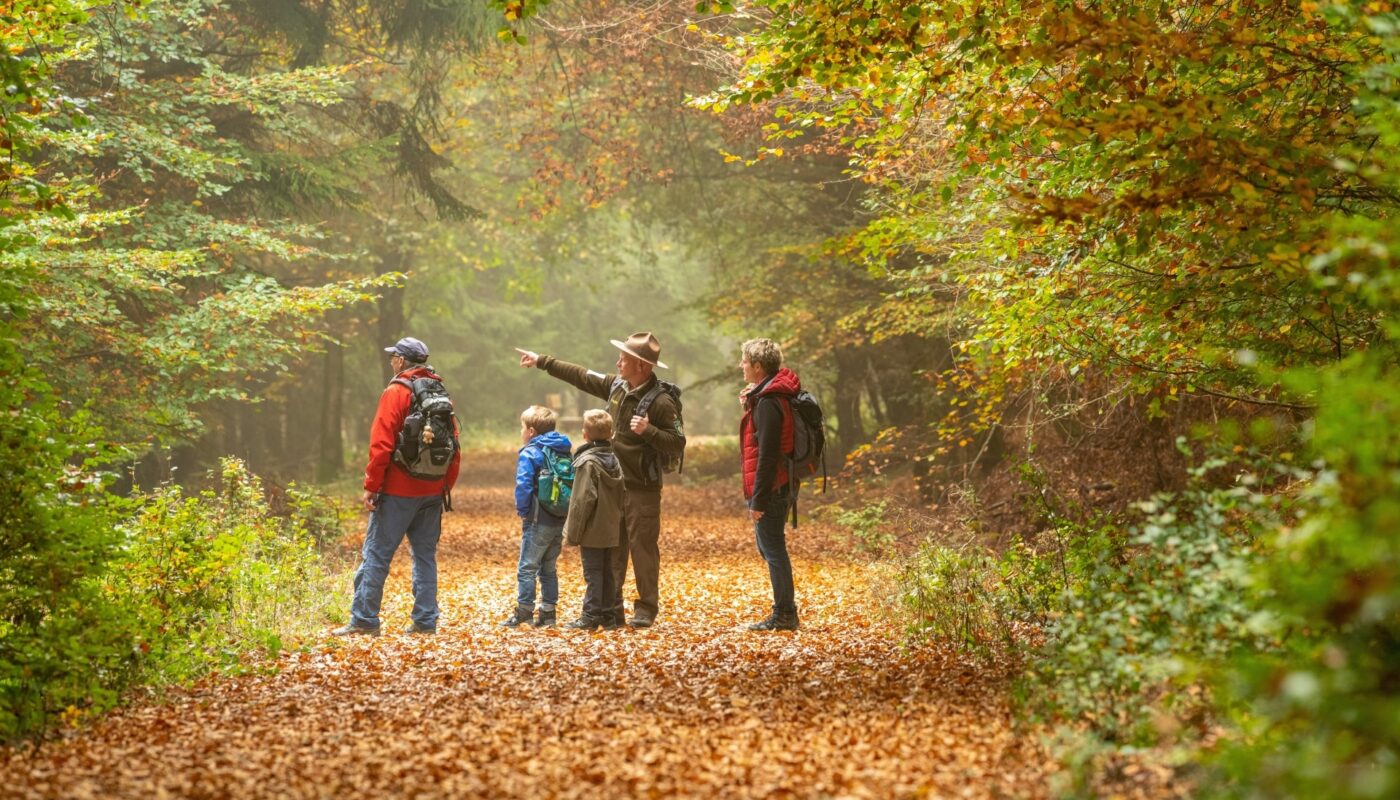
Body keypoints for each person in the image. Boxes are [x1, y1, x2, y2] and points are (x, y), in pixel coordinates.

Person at [515, 332, 685, 628]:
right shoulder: (617, 386)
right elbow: (581, 375)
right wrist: (543, 361)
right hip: (612, 486)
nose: (618, 362)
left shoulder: (662, 402)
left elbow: (678, 442)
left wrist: (649, 431)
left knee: (643, 548)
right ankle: (611, 608)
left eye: (624, 358)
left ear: (642, 366)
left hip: (642, 489)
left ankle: (645, 609)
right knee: (613, 548)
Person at [334, 337, 460, 636]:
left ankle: (364, 620)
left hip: (397, 489)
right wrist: (443, 485)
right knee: (425, 556)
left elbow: (381, 445)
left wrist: (372, 485)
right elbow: (455, 445)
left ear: (401, 361)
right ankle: (425, 620)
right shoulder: (440, 392)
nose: (391, 361)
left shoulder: (396, 391)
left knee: (377, 555)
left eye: (394, 357)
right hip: (431, 490)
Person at [738, 338, 801, 631]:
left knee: (773, 549)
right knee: (770, 548)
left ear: (758, 366)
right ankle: (784, 612)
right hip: (780, 484)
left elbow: (767, 456)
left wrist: (758, 501)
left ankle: (785, 614)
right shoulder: (770, 397)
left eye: (745, 362)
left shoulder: (769, 403)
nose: (742, 366)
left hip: (773, 488)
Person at [503, 405, 573, 628]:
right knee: (549, 568)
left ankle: (524, 611)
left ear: (531, 431)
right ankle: (548, 613)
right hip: (559, 517)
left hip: (537, 518)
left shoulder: (531, 452)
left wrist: (523, 511)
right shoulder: (563, 450)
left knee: (527, 567)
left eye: (522, 428)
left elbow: (523, 484)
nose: (522, 432)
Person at [562, 410, 626, 631]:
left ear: (585, 434)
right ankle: (609, 616)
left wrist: (572, 534)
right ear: (610, 434)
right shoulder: (615, 459)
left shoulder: (587, 463)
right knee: (607, 571)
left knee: (593, 573)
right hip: (610, 526)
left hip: (592, 529)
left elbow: (582, 502)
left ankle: (590, 616)